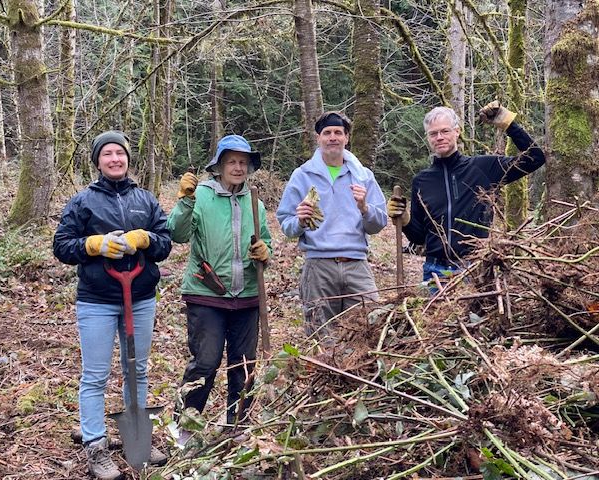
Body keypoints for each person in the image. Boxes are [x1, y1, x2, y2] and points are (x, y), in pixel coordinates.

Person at [53, 131, 172, 480]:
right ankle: (95, 445)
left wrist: (146, 238)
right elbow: (62, 246)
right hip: (97, 301)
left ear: (128, 159)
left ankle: (137, 439)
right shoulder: (82, 202)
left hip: (140, 297)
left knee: (137, 369)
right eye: (107, 154)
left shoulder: (146, 200)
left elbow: (164, 244)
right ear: (98, 161)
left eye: (120, 153)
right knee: (95, 375)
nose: (115, 159)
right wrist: (94, 245)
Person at [167, 134, 271, 436]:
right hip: (207, 294)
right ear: (219, 166)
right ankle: (183, 427)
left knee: (243, 365)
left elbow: (266, 243)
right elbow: (177, 232)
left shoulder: (256, 203)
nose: (238, 167)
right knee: (206, 362)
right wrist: (185, 202)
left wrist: (265, 251)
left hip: (248, 295)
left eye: (243, 162)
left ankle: (236, 426)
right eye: (232, 162)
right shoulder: (200, 196)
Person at [387, 101, 545, 285]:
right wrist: (405, 220)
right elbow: (419, 238)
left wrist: (507, 123)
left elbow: (535, 158)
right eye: (433, 133)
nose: (439, 137)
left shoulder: (483, 168)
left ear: (457, 131)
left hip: (475, 269)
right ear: (428, 138)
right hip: (434, 272)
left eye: (445, 131)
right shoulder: (422, 181)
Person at [276, 111, 387, 343]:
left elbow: (379, 223)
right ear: (318, 138)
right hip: (318, 266)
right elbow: (286, 224)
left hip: (356, 264)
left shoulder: (363, 176)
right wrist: (300, 221)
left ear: (347, 138)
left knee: (369, 331)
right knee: (322, 338)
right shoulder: (302, 176)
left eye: (338, 132)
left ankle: (361, 379)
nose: (333, 137)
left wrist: (365, 208)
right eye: (327, 133)